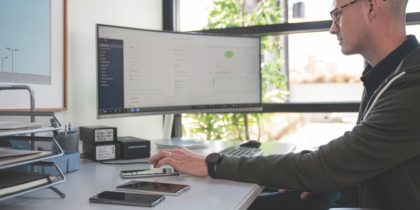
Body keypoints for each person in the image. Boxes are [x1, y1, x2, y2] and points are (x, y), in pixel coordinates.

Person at [150, 0, 420, 209]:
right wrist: (323, 179)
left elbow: (325, 165)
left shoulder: (412, 84)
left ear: (372, 6)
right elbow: (357, 156)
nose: (333, 28)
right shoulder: (389, 74)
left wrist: (213, 163)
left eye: (338, 14)